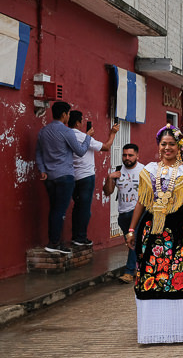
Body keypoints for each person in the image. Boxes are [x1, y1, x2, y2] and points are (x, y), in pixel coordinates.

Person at [125, 124, 183, 344]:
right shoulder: (149, 171)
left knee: (179, 273)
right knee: (151, 275)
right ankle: (153, 329)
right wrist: (132, 229)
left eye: (172, 144)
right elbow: (141, 202)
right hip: (152, 230)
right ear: (158, 146)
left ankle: (181, 327)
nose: (167, 148)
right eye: (163, 144)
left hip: (181, 230)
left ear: (179, 147)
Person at [35, 101, 94, 253]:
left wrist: (42, 169)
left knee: (54, 209)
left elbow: (39, 153)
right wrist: (87, 137)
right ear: (63, 115)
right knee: (60, 211)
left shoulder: (43, 131)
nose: (69, 116)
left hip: (49, 176)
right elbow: (80, 151)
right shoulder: (67, 132)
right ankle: (54, 243)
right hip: (65, 176)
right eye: (68, 113)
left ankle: (55, 241)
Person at [67, 110, 119, 247]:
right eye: (82, 120)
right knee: (84, 209)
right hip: (86, 176)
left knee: (77, 207)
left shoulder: (66, 135)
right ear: (78, 122)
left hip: (72, 176)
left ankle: (76, 236)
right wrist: (113, 133)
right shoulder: (84, 137)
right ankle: (80, 237)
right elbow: (107, 147)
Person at [103, 143, 144, 284]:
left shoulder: (143, 171)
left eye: (130, 155)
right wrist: (110, 177)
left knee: (133, 240)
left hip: (138, 212)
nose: (127, 158)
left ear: (137, 156)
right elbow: (108, 192)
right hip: (123, 214)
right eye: (125, 155)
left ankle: (128, 272)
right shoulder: (118, 171)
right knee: (133, 242)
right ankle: (142, 268)